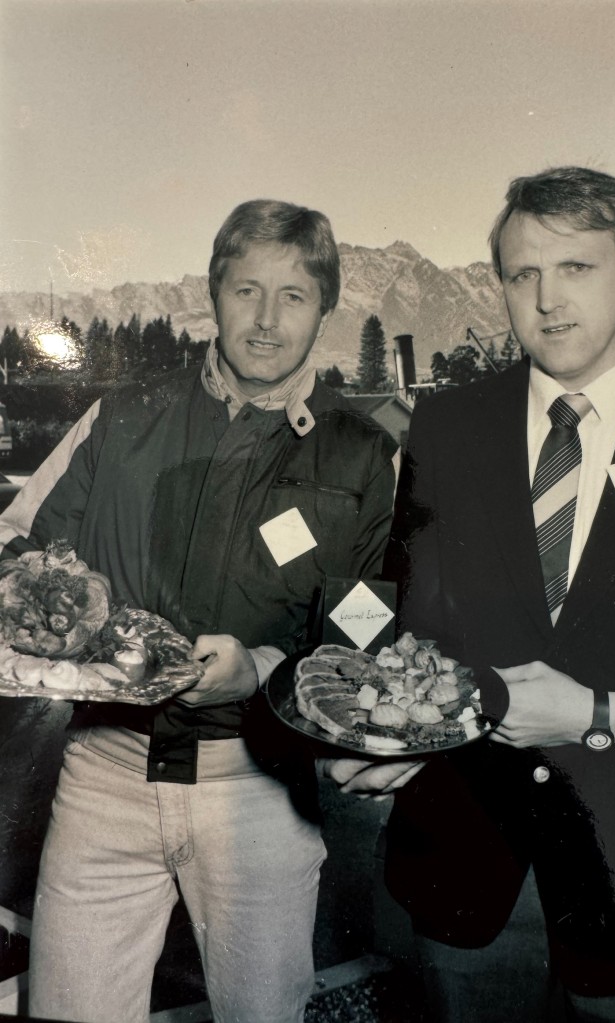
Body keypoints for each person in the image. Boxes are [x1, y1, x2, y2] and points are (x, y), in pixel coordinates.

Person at [0, 199, 399, 1023]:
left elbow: (362, 635)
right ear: (212, 294)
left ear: (323, 310)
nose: (265, 319)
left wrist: (259, 668)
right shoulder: (120, 417)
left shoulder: (362, 455)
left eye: (293, 296)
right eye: (245, 289)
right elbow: (15, 542)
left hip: (257, 789)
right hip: (104, 772)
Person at [326, 167, 615, 1021]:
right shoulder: (447, 425)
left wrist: (605, 711)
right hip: (469, 875)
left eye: (577, 268)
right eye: (522, 275)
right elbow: (387, 594)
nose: (547, 300)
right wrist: (352, 706)